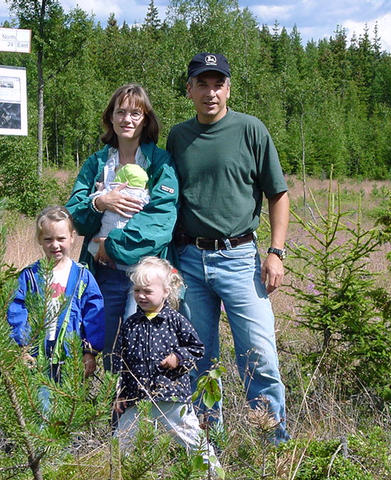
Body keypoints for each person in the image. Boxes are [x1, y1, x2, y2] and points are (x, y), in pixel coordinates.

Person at [166, 53, 291, 444]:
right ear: (189, 90)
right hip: (188, 260)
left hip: (240, 260)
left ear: (228, 88)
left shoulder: (251, 130)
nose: (210, 92)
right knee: (199, 360)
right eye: (201, 84)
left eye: (218, 84)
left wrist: (276, 252)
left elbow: (278, 194)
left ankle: (271, 445)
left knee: (260, 356)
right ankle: (209, 448)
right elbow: (169, 201)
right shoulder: (178, 137)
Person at [66, 84, 179, 372]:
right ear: (111, 118)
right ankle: (112, 413)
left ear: (146, 120)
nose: (127, 119)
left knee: (141, 351)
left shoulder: (160, 163)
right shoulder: (97, 163)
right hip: (104, 274)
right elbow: (75, 216)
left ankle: (142, 414)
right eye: (121, 112)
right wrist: (100, 202)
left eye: (135, 113)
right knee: (107, 353)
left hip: (145, 276)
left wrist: (110, 245)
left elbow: (161, 221)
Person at [113, 257, 220, 473]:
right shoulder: (130, 325)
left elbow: (196, 347)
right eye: (137, 290)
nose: (141, 296)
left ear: (166, 291)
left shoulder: (175, 320)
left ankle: (214, 473)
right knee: (120, 444)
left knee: (192, 439)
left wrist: (178, 357)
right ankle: (115, 473)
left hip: (171, 397)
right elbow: (120, 360)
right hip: (138, 398)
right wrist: (121, 393)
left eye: (147, 291)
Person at [7, 206, 105, 411]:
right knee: (41, 408)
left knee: (69, 409)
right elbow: (17, 310)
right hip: (37, 355)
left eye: (61, 238)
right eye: (48, 239)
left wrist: (90, 352)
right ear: (39, 240)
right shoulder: (30, 276)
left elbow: (94, 314)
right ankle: (43, 444)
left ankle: (69, 444)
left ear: (72, 237)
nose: (55, 245)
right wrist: (23, 345)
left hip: (71, 354)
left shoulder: (82, 276)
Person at [87, 163, 150, 257]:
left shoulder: (112, 191)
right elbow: (149, 204)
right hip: (125, 241)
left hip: (105, 235)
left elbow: (94, 198)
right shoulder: (142, 197)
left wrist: (99, 190)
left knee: (92, 247)